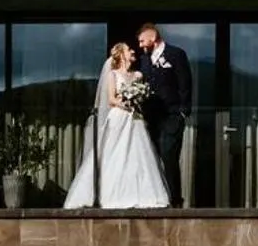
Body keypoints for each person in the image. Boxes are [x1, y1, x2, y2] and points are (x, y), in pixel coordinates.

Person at [63, 43, 171, 209]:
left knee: (138, 155)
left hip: (135, 119)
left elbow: (142, 95)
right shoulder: (112, 75)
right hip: (119, 118)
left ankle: (140, 194)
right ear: (121, 54)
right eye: (129, 49)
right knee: (113, 154)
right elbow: (111, 99)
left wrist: (136, 99)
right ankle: (109, 194)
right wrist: (126, 103)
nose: (133, 51)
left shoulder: (137, 75)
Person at [135, 23, 192, 207]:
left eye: (143, 41)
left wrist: (183, 112)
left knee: (169, 156)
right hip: (151, 118)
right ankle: (157, 200)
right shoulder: (144, 60)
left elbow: (185, 83)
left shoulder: (176, 54)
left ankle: (175, 200)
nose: (141, 46)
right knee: (152, 158)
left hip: (172, 115)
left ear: (153, 37)